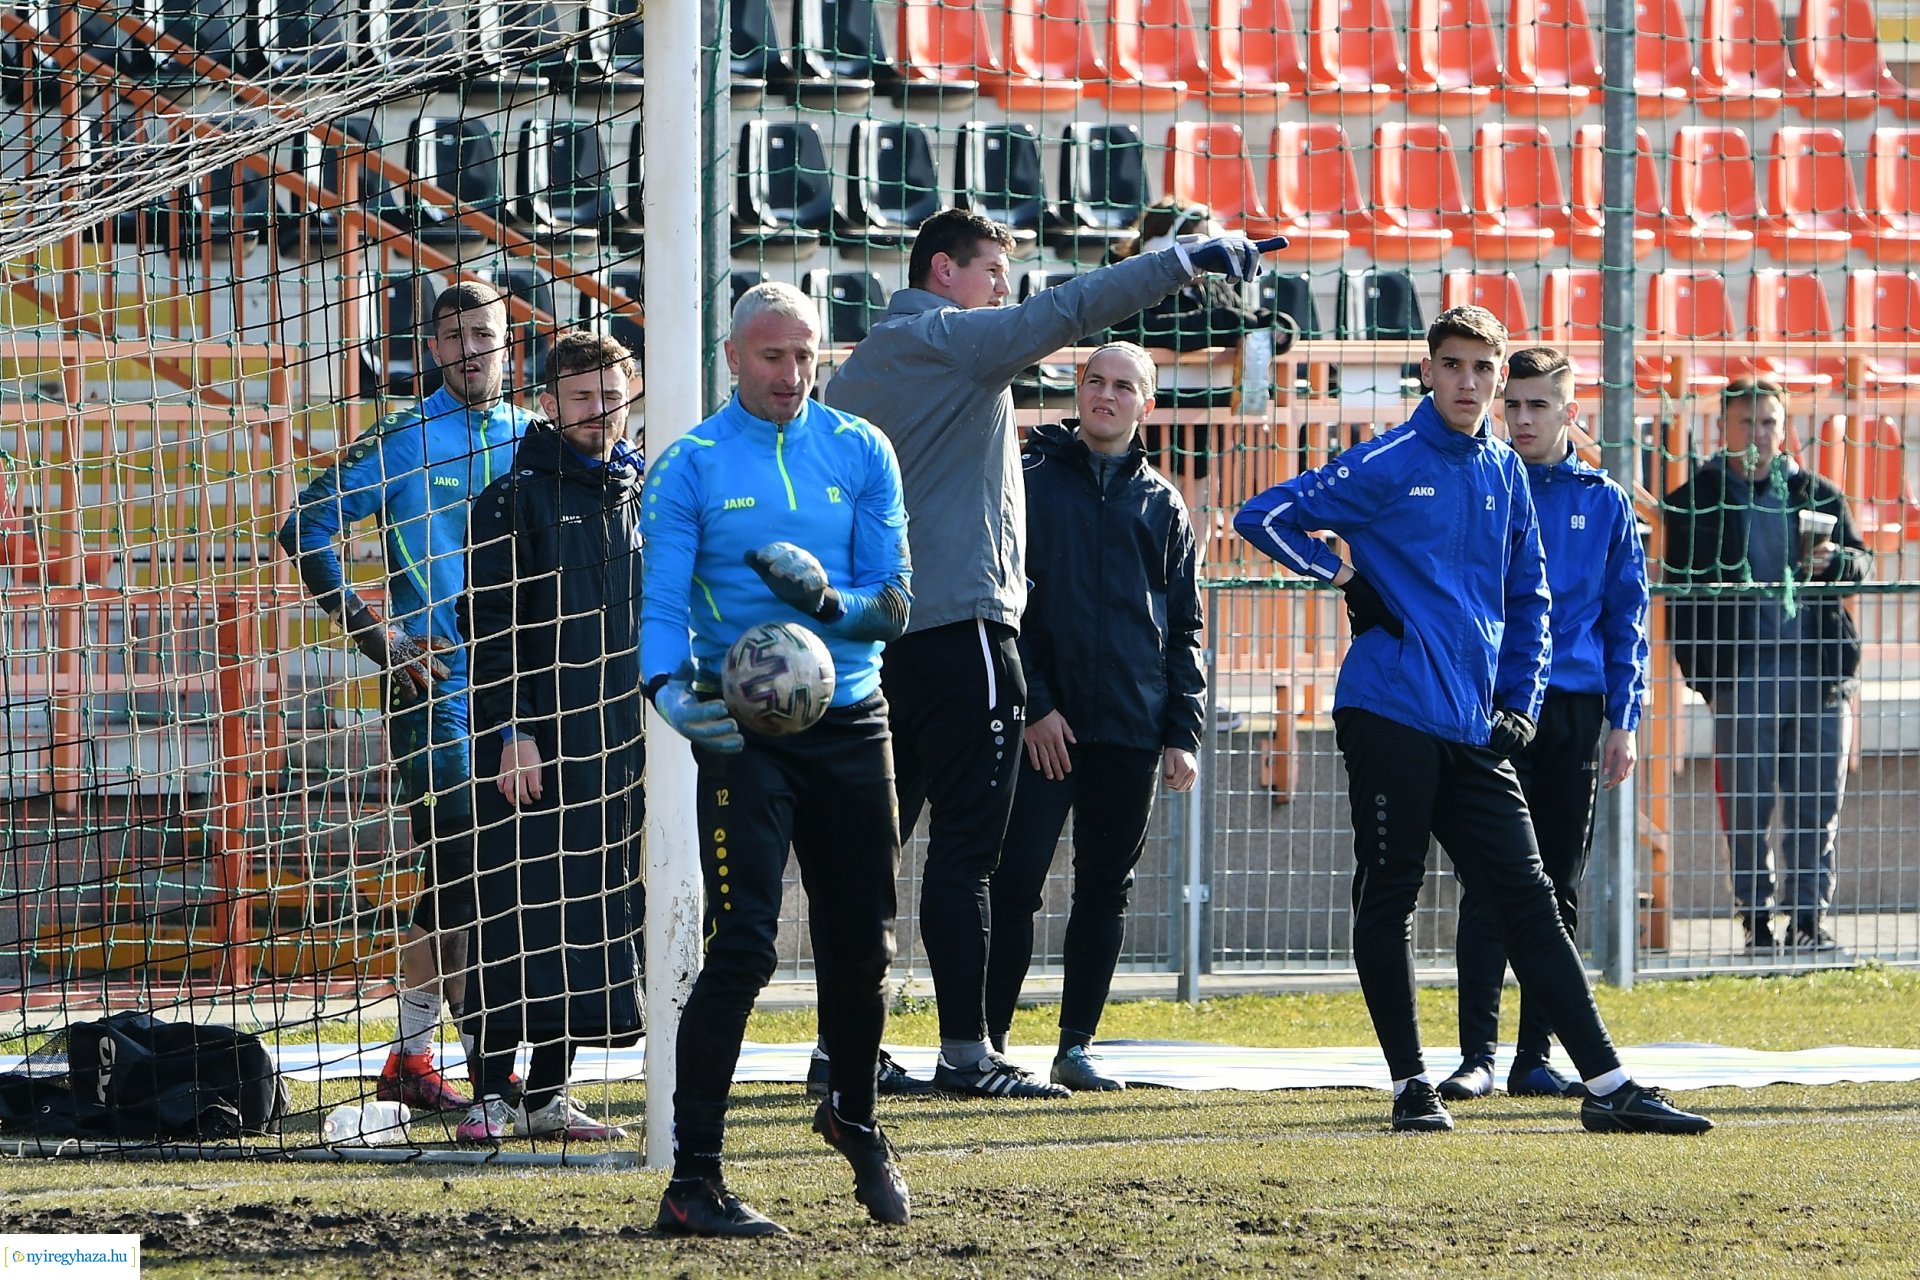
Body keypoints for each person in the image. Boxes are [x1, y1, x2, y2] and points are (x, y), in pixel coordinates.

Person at [822, 206, 1282, 1099]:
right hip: (962, 633)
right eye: (993, 269)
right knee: (971, 857)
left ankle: (841, 1048)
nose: (1004, 288)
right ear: (945, 270)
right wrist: (1181, 261)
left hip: (881, 640)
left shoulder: (862, 368)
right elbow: (1070, 311)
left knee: (876, 850)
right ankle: (968, 1051)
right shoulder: (953, 340)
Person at [1233, 306, 1711, 1136]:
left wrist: (1520, 704)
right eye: (1451, 365)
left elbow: (1533, 601)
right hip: (1387, 709)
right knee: (1392, 891)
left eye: (1481, 369)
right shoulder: (1388, 457)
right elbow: (1263, 517)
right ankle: (1414, 1082)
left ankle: (1606, 1086)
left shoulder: (1505, 473)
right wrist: (1345, 578)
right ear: (1428, 371)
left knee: (1529, 895)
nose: (1467, 382)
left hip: (1476, 725)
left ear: (1498, 378)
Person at [643, 282, 914, 1236]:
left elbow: (896, 603)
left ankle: (854, 1115)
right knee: (746, 944)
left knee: (861, 954)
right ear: (732, 357)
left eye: (805, 356)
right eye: (772, 357)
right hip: (746, 733)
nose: (792, 374)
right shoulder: (690, 466)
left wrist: (832, 604)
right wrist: (668, 692)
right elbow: (662, 608)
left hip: (852, 719)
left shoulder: (861, 450)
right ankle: (693, 1182)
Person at [278, 281, 534, 1114]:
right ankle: (478, 1069)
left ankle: (414, 1056)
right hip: (437, 692)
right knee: (462, 867)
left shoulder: (536, 438)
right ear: (431, 350)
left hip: (529, 695)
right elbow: (303, 527)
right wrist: (376, 635)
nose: (470, 350)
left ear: (510, 347)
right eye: (453, 337)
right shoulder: (403, 435)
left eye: (484, 336)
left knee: (499, 876)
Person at [982, 342, 1204, 1092]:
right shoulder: (1030, 482)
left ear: (1147, 406)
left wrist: (1182, 730)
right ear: (1078, 392)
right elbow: (1008, 609)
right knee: (1013, 881)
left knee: (1106, 887)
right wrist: (1036, 708)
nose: (1106, 397)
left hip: (1132, 731)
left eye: (1124, 387)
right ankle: (989, 1042)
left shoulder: (1164, 503)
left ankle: (1075, 1047)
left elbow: (1184, 628)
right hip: (1045, 730)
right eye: (1095, 382)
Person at [1439, 346, 1650, 1103]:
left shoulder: (1606, 501)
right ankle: (1476, 1057)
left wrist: (1624, 718)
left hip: (1571, 712)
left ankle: (1535, 1055)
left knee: (1555, 885)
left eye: (1538, 406)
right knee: (1487, 883)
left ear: (1569, 413)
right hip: (1492, 708)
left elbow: (1629, 618)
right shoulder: (1479, 483)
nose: (1522, 419)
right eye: (1513, 404)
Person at [455, 330, 646, 1144]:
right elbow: (488, 627)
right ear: (548, 403)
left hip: (617, 748)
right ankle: (492, 1093)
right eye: (581, 398)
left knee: (589, 917)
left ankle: (547, 1095)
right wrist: (512, 731)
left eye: (610, 397)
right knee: (513, 912)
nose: (598, 412)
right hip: (530, 749)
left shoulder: (638, 494)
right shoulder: (511, 497)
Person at [1663, 379, 1869, 953]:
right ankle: (1756, 917)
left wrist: (1837, 563)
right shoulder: (1695, 499)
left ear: (1785, 430)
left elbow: (1863, 562)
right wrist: (1703, 677)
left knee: (1816, 802)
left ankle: (1808, 918)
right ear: (1722, 429)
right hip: (1742, 674)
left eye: (1770, 423)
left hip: (1819, 672)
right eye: (1747, 423)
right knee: (1748, 805)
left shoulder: (1817, 493)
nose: (1759, 434)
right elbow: (1680, 598)